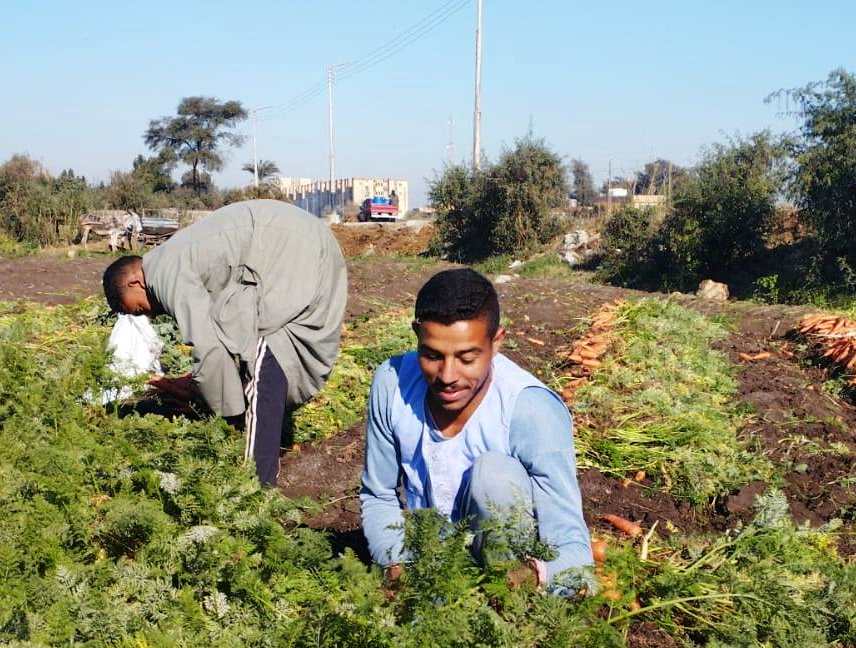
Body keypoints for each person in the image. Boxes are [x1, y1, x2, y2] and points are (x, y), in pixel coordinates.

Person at [360, 268, 594, 591]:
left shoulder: (530, 411)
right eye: (432, 356)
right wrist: (396, 566)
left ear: (496, 342)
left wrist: (523, 581)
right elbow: (378, 494)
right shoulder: (392, 385)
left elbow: (574, 553)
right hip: (426, 565)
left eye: (467, 358)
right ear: (417, 335)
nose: (447, 376)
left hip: (506, 577)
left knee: (493, 477)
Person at [102, 199, 346, 486]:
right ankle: (260, 463)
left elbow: (210, 349)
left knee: (266, 364)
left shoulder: (164, 273)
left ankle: (254, 491)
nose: (151, 315)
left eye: (140, 309)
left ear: (135, 283)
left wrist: (220, 415)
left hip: (289, 252)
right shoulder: (173, 256)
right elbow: (226, 330)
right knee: (270, 359)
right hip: (308, 245)